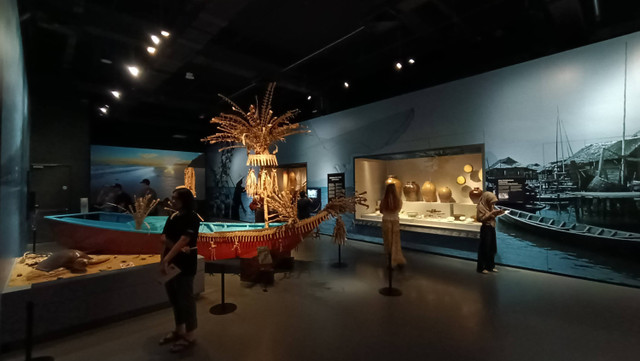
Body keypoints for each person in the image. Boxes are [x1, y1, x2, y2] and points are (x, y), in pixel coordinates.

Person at [158, 188, 200, 352]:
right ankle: (179, 329)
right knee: (174, 298)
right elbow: (164, 239)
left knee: (186, 298)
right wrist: (164, 260)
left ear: (185, 200)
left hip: (185, 264)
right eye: (172, 198)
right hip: (171, 262)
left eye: (175, 198)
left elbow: (184, 239)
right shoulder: (172, 216)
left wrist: (167, 258)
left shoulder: (192, 217)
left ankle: (190, 334)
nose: (172, 201)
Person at [476, 191, 505, 274]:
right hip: (485, 228)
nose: (493, 204)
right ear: (487, 199)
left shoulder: (489, 206)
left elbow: (491, 216)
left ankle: (490, 266)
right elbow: (480, 219)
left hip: (491, 227)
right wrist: (491, 213)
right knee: (484, 248)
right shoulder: (480, 207)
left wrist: (497, 213)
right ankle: (481, 268)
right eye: (492, 202)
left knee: (491, 248)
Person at [379, 183, 406, 268]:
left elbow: (381, 211)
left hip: (386, 221)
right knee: (396, 242)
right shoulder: (398, 201)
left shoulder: (384, 200)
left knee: (388, 242)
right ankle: (397, 259)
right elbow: (398, 209)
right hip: (395, 221)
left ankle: (390, 261)